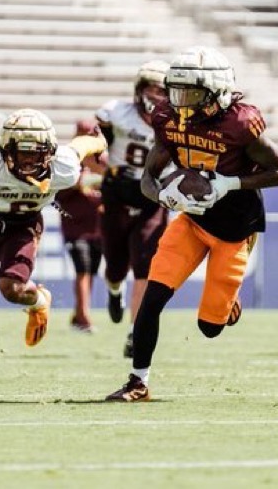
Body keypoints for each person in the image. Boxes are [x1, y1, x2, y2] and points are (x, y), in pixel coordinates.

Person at [105, 46, 278, 402]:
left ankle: (227, 306)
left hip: (235, 232)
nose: (180, 101)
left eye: (190, 92)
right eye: (176, 91)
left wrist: (229, 183)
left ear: (217, 91)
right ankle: (137, 382)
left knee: (209, 328)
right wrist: (163, 197)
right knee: (152, 300)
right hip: (191, 222)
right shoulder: (169, 118)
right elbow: (149, 177)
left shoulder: (238, 125)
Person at [0, 108, 106, 382]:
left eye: (37, 151)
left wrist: (101, 142)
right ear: (7, 149)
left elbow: (81, 145)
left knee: (12, 289)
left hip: (25, 224)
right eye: (24, 151)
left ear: (50, 150)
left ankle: (39, 300)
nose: (31, 159)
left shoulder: (63, 166)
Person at [95, 60, 170, 358]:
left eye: (164, 90)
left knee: (146, 265)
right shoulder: (116, 112)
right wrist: (103, 164)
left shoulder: (175, 122)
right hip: (117, 194)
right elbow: (93, 145)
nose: (158, 95)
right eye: (153, 88)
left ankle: (134, 331)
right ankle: (115, 292)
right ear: (140, 90)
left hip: (152, 196)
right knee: (115, 266)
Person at [54, 119, 106, 333]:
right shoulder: (68, 162)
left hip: (97, 228)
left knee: (91, 272)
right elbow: (57, 190)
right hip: (76, 227)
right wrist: (79, 183)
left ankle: (79, 314)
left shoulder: (101, 162)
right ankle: (84, 317)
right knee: (82, 270)